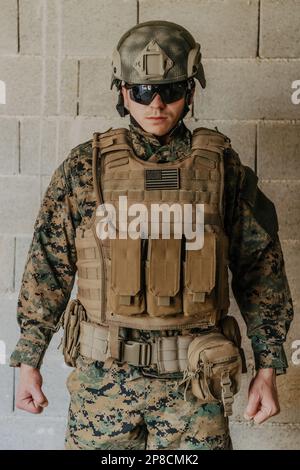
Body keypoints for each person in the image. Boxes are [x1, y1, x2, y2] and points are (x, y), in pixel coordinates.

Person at [10, 20, 293, 450]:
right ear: (122, 92)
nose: (156, 103)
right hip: (103, 382)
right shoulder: (84, 169)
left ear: (192, 90)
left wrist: (267, 367)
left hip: (196, 385)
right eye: (142, 91)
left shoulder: (223, 170)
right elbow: (48, 265)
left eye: (171, 89)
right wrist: (28, 358)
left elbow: (261, 271)